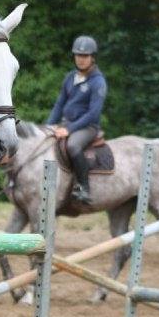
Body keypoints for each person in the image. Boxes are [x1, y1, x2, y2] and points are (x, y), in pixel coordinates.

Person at [45, 36, 108, 204]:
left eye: (85, 56)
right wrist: (49, 125)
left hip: (88, 127)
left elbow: (93, 114)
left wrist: (69, 130)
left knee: (73, 146)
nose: (81, 59)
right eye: (78, 55)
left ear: (92, 57)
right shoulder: (70, 77)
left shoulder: (98, 82)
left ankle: (84, 188)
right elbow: (59, 104)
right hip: (67, 123)